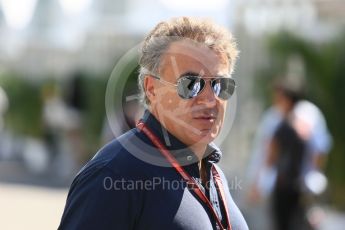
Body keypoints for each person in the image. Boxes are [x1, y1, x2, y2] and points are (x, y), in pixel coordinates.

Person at [59, 17, 248, 230]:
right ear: (151, 89)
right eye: (191, 84)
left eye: (219, 85)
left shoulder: (215, 175)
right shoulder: (114, 174)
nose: (209, 99)